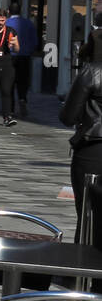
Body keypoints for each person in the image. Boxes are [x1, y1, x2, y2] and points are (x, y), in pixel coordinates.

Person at [60, 50, 102, 239]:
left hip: (93, 148)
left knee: (88, 216)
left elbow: (68, 116)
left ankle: (84, 262)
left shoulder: (92, 71)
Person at [6, 5, 38, 118]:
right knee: (23, 80)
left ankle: (10, 108)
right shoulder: (28, 23)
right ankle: (22, 98)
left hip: (9, 56)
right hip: (24, 56)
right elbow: (34, 41)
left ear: (9, 11)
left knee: (9, 81)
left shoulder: (6, 23)